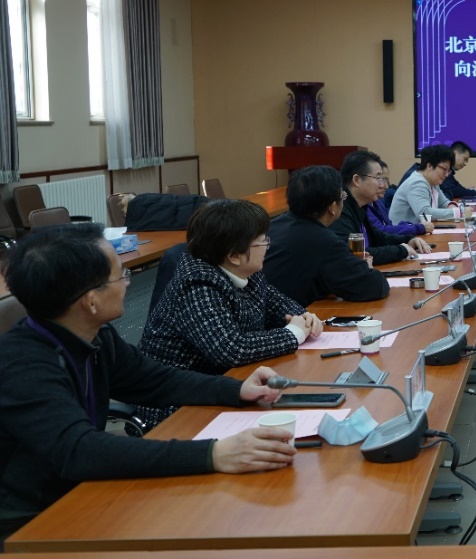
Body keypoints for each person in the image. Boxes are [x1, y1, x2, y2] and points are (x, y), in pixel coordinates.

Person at [0, 224, 294, 543]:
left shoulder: (93, 335)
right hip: (26, 520)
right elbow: (79, 450)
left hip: (79, 491)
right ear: (90, 301)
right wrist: (215, 453)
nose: (128, 283)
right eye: (121, 276)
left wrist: (235, 389)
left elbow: (155, 380)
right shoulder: (22, 364)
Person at [136, 200, 323, 427]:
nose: (268, 245)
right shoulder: (197, 283)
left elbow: (276, 303)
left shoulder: (244, 270)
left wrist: (303, 317)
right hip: (178, 407)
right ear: (234, 255)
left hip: (227, 385)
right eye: (262, 240)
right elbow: (231, 349)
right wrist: (293, 334)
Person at [262, 165, 390, 305]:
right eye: (343, 196)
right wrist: (367, 267)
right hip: (293, 314)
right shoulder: (326, 243)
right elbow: (374, 287)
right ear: (332, 207)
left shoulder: (272, 226)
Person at [331, 151, 431, 266]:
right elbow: (355, 254)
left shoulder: (360, 206)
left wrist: (408, 240)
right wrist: (401, 250)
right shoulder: (340, 210)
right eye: (378, 178)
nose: (383, 185)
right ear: (357, 180)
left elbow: (378, 237)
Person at [389, 144, 459, 225]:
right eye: (444, 169)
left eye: (448, 171)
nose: (446, 175)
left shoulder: (433, 183)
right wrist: (457, 213)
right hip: (403, 231)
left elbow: (443, 203)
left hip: (419, 230)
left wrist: (452, 207)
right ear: (429, 166)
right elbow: (424, 213)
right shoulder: (417, 183)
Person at [365, 160, 432, 239]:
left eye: (386, 180)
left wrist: (410, 226)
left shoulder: (377, 202)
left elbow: (389, 226)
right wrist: (418, 228)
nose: (386, 186)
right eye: (380, 179)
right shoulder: (364, 206)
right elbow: (382, 231)